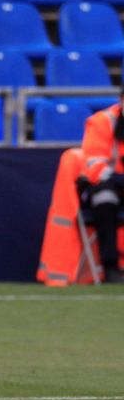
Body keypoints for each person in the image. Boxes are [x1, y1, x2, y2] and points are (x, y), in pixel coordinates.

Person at [76, 85, 124, 283]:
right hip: (105, 184)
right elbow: (95, 166)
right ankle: (110, 266)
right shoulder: (102, 121)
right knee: (105, 198)